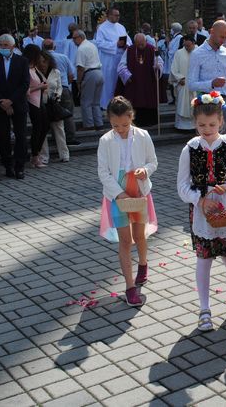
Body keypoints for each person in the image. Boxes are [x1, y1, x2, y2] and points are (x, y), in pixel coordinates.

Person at [176, 92, 226, 332]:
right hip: (202, 210)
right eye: (201, 125)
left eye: (211, 124)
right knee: (204, 259)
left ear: (221, 122)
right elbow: (182, 185)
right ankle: (204, 308)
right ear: (194, 123)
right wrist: (199, 200)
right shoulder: (190, 149)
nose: (206, 129)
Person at [98, 96, 158, 306]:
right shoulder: (105, 140)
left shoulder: (143, 135)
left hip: (139, 190)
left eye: (124, 124)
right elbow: (103, 172)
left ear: (131, 117)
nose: (120, 129)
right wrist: (118, 194)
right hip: (117, 193)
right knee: (125, 240)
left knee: (139, 235)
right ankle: (129, 287)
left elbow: (153, 162)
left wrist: (145, 170)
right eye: (115, 125)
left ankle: (143, 264)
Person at [0, 34, 30, 180]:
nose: (3, 48)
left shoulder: (22, 61)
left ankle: (19, 166)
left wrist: (11, 101)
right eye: (1, 45)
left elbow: (24, 84)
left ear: (12, 47)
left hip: (17, 103)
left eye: (6, 45)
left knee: (21, 136)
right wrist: (2, 102)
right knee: (2, 136)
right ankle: (7, 165)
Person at [187, 21, 226, 135]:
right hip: (205, 102)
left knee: (224, 137)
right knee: (207, 137)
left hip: (225, 102)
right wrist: (211, 83)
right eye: (221, 37)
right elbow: (191, 84)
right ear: (211, 32)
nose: (224, 40)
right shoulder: (197, 54)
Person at [117, 33, 164, 127]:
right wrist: (127, 75)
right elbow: (121, 66)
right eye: (138, 44)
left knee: (149, 99)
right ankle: (136, 122)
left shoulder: (152, 49)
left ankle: (151, 121)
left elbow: (159, 61)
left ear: (145, 41)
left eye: (142, 44)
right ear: (135, 43)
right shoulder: (130, 50)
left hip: (149, 80)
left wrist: (157, 68)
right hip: (134, 81)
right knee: (135, 99)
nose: (141, 46)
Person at [43, 39, 79, 146]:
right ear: (54, 47)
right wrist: (67, 84)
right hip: (64, 87)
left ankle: (56, 138)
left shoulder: (43, 59)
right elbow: (71, 74)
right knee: (68, 113)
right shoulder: (63, 57)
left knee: (52, 114)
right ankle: (70, 137)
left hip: (48, 89)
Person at [95, 8, 131, 109]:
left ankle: (119, 103)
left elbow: (128, 40)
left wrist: (126, 45)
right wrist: (116, 44)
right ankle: (107, 104)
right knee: (109, 82)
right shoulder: (102, 28)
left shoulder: (121, 27)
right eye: (115, 15)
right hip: (108, 59)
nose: (117, 17)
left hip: (121, 58)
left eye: (118, 15)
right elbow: (99, 43)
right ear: (109, 15)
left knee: (119, 81)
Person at [37, 50, 69, 164]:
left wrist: (58, 95)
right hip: (40, 104)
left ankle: (64, 155)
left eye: (44, 61)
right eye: (40, 62)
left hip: (54, 104)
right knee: (43, 131)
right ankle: (44, 157)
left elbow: (59, 87)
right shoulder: (35, 72)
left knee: (59, 129)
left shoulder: (56, 72)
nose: (42, 64)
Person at [23, 44, 51, 169]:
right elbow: (26, 89)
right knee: (38, 128)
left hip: (40, 101)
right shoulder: (26, 70)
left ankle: (36, 153)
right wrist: (40, 86)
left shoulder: (34, 68)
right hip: (32, 102)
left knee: (45, 126)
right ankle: (35, 156)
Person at [73, 29, 104, 130]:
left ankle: (89, 125)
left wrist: (78, 81)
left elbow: (80, 68)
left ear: (80, 37)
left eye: (74, 38)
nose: (73, 40)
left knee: (86, 102)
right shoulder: (91, 45)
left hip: (90, 74)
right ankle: (99, 123)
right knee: (96, 102)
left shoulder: (81, 48)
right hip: (99, 72)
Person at [170, 35, 196, 130]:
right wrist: (180, 78)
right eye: (185, 46)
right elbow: (174, 68)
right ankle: (181, 126)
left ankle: (194, 125)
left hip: (195, 84)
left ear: (194, 43)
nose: (187, 48)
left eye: (189, 46)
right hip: (183, 83)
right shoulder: (179, 53)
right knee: (182, 104)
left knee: (194, 104)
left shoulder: (199, 52)